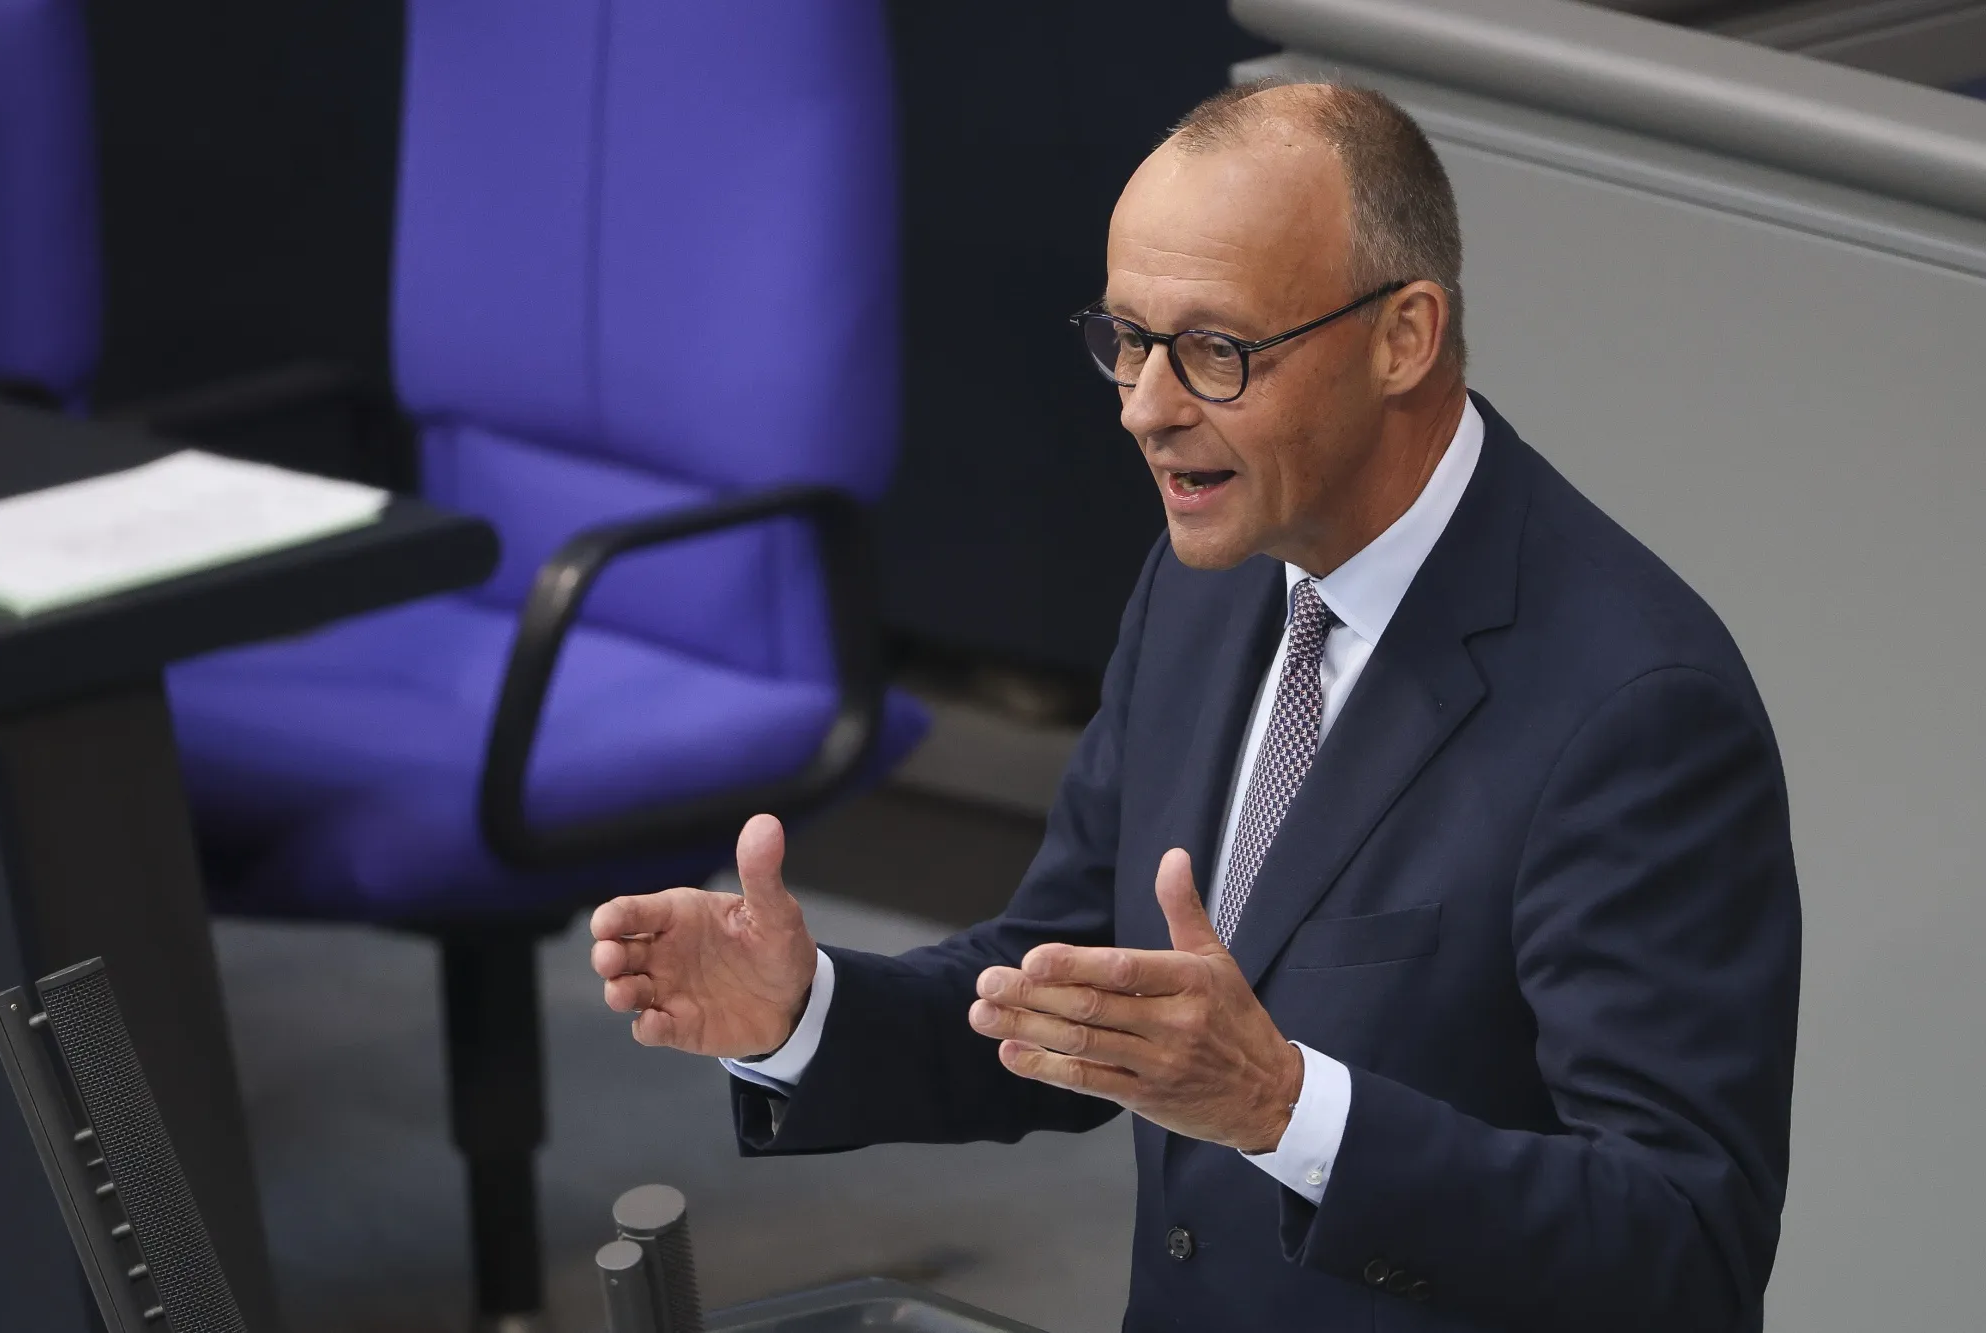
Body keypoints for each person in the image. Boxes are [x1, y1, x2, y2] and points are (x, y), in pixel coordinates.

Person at [590, 81, 1799, 1332]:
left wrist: (1283, 1107)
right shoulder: (1205, 578)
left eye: (1215, 352)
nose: (1144, 406)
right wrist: (805, 1012)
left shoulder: (1636, 708)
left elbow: (1683, 1244)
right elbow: (1067, 985)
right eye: (1126, 338)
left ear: (1404, 335)